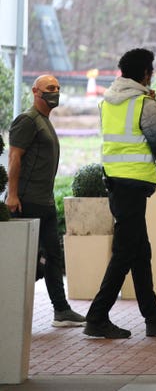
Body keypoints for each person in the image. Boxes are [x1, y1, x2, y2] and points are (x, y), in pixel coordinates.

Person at [83, 48, 156, 339]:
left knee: (141, 252)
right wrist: (155, 110)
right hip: (134, 183)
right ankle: (97, 317)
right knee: (125, 252)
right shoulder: (144, 103)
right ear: (145, 73)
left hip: (115, 182)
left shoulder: (108, 102)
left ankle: (153, 318)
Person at [6, 75, 86, 328]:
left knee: (53, 257)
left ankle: (61, 311)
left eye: (58, 89)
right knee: (29, 261)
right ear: (35, 91)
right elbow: (14, 158)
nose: (56, 92)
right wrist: (12, 194)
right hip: (28, 201)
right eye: (50, 88)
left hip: (46, 202)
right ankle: (10, 311)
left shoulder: (44, 121)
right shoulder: (27, 120)